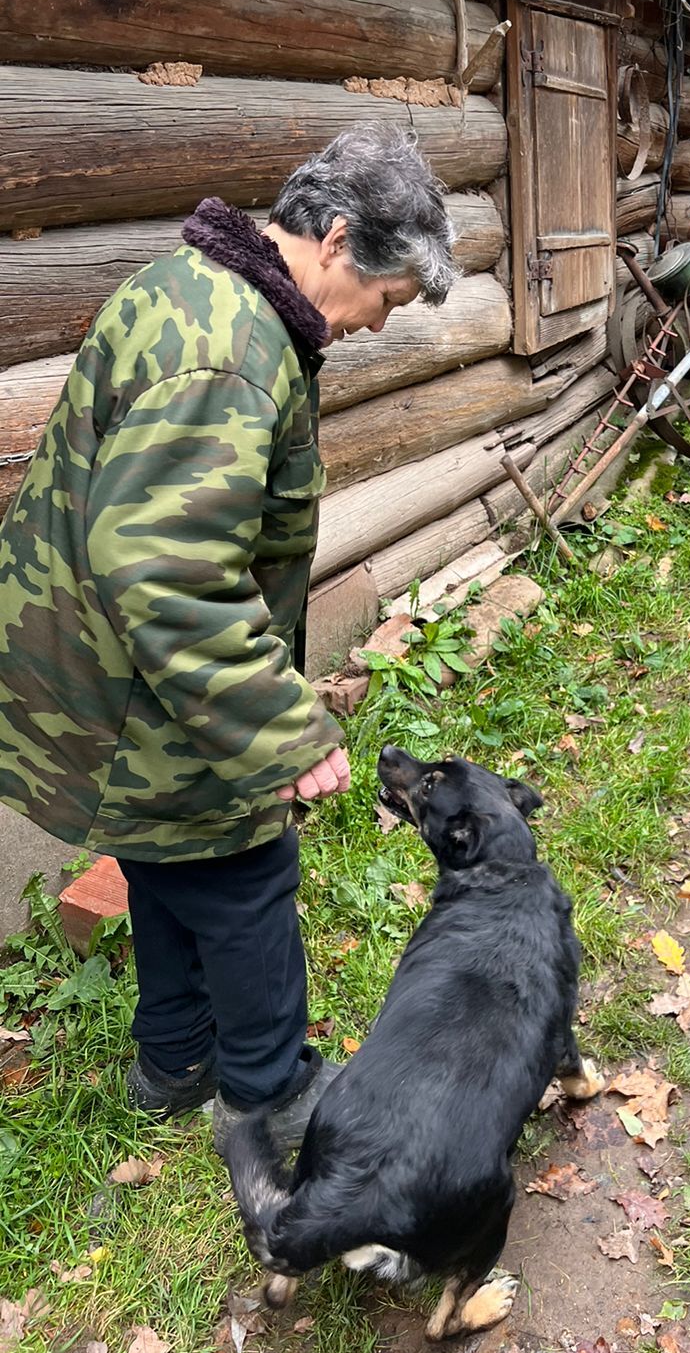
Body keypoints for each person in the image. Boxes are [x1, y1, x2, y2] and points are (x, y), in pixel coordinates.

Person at [0, 122, 457, 1154]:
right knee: (246, 873)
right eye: (386, 300)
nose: (380, 328)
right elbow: (169, 572)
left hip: (107, 669)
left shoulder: (197, 288)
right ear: (336, 240)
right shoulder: (229, 353)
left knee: (165, 857)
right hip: (137, 675)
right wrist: (284, 732)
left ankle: (173, 1061)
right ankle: (273, 1096)